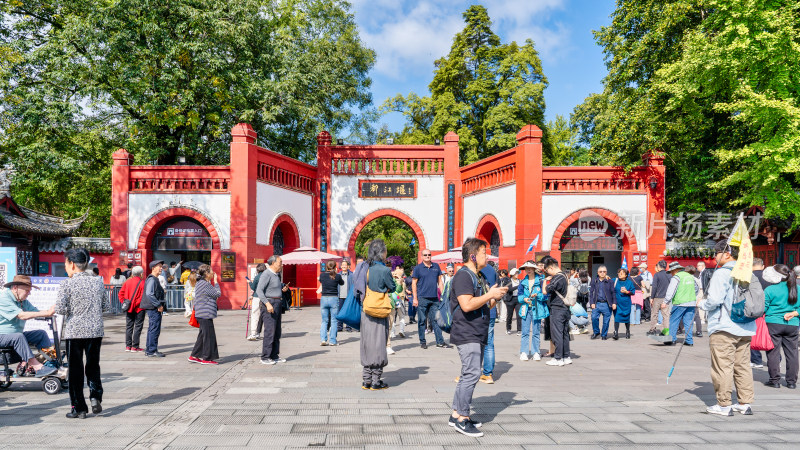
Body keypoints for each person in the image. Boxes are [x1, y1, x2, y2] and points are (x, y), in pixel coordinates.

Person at [449, 238, 507, 437]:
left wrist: (493, 297)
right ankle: (463, 419)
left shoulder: (478, 276)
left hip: (477, 330)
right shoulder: (463, 276)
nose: (487, 256)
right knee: (472, 373)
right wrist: (489, 294)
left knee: (468, 373)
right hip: (467, 331)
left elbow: (481, 305)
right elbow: (466, 305)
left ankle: (456, 413)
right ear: (473, 256)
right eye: (484, 253)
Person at [698, 240, 755, 416]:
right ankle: (744, 403)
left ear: (727, 254)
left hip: (725, 327)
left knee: (722, 366)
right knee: (743, 366)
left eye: (716, 254)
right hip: (745, 326)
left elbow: (714, 300)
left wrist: (702, 304)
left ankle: (724, 405)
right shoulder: (747, 273)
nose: (714, 257)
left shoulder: (722, 273)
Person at [56, 248, 110, 419]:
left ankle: (79, 408)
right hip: (95, 329)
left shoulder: (67, 284)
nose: (65, 267)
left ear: (72, 264)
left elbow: (59, 309)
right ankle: (95, 396)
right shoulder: (98, 281)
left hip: (75, 331)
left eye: (66, 264)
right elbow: (106, 307)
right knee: (93, 365)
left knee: (76, 369)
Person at [0, 275, 57, 378]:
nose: (29, 293)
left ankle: (51, 362)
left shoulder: (22, 301)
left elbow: (36, 312)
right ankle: (37, 367)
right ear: (15, 288)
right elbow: (21, 315)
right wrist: (47, 313)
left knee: (41, 334)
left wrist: (51, 311)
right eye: (27, 290)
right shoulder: (3, 298)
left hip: (13, 336)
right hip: (2, 336)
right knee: (18, 336)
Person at [360, 239, 395, 390]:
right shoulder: (385, 270)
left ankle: (366, 379)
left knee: (367, 342)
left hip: (366, 310)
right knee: (379, 343)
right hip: (380, 310)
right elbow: (392, 287)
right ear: (382, 253)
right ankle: (376, 380)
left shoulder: (363, 268)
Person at [762, 264, 800, 388]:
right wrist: (794, 313)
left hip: (773, 323)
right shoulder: (797, 289)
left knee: (773, 352)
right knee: (792, 353)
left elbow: (763, 307)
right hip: (792, 324)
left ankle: (774, 380)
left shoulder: (770, 289)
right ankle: (791, 382)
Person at [257, 255, 290, 365]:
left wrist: (282, 289)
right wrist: (267, 304)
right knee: (270, 331)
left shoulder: (276, 275)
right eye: (280, 262)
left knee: (277, 332)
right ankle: (265, 357)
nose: (281, 264)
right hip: (269, 304)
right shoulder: (266, 274)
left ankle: (274, 355)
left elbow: (273, 288)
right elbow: (259, 291)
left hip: (277, 303)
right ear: (273, 263)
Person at [411, 249, 447, 349]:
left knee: (436, 320)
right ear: (422, 257)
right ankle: (422, 341)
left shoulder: (436, 266)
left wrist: (443, 295)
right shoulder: (418, 268)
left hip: (434, 298)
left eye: (429, 255)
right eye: (425, 255)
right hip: (422, 298)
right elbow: (414, 283)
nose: (428, 256)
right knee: (422, 320)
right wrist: (415, 298)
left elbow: (440, 282)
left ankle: (440, 341)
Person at [189, 264, 221, 365]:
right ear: (206, 273)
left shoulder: (201, 282)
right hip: (205, 314)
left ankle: (194, 355)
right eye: (211, 271)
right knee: (209, 336)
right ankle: (207, 358)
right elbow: (217, 293)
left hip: (202, 313)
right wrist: (216, 282)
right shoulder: (205, 284)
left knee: (203, 335)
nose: (213, 273)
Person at [542, 256, 572, 366]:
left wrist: (546, 281)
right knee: (564, 333)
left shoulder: (557, 278)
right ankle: (566, 356)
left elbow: (546, 291)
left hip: (557, 308)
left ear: (551, 268)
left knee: (557, 334)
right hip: (565, 308)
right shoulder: (565, 275)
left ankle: (558, 357)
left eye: (547, 270)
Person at [517, 261, 549, 361]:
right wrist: (524, 299)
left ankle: (536, 352)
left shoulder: (541, 281)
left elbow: (546, 296)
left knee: (536, 332)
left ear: (534, 269)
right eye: (526, 268)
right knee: (525, 332)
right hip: (526, 309)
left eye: (530, 268)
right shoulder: (522, 282)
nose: (528, 270)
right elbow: (519, 296)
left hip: (537, 309)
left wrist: (538, 295)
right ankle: (524, 352)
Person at [664, 262, 699, 346]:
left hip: (680, 302)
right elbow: (696, 289)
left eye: (671, 271)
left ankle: (672, 340)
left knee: (674, 321)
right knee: (688, 322)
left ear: (675, 270)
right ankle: (689, 341)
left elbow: (671, 291)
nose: (671, 274)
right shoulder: (691, 277)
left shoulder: (676, 277)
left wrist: (665, 301)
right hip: (691, 302)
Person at [142, 260, 166, 357]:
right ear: (153, 268)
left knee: (153, 328)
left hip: (153, 307)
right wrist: (158, 305)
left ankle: (150, 349)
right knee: (154, 329)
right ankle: (152, 350)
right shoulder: (152, 279)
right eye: (159, 266)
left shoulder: (154, 279)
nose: (161, 268)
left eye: (161, 266)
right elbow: (149, 294)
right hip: (153, 308)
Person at [749, 258, 772, 367]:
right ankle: (774, 359)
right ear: (763, 266)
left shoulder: (748, 277)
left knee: (753, 334)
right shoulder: (769, 277)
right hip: (769, 310)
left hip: (753, 309)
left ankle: (756, 360)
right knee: (769, 335)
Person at [118, 266, 146, 352]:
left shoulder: (127, 282)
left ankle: (128, 346)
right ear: (141, 274)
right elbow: (142, 297)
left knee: (129, 327)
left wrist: (125, 302)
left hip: (129, 307)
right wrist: (135, 303)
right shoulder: (142, 282)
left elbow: (120, 294)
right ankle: (135, 346)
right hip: (139, 308)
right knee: (138, 326)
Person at [479, 262, 498, 383]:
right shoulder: (492, 270)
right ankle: (488, 373)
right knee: (489, 343)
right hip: (492, 309)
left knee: (475, 343)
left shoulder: (475, 270)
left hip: (480, 310)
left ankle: (472, 372)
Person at [318, 261, 344, 346]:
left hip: (324, 298)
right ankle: (332, 341)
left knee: (324, 320)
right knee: (334, 320)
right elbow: (342, 283)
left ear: (327, 267)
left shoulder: (322, 275)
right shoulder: (337, 276)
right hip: (334, 298)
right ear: (335, 267)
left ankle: (323, 340)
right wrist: (336, 273)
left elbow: (320, 280)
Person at [589, 266, 615, 340]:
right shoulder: (594, 281)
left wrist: (614, 303)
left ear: (606, 272)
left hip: (607, 304)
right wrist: (592, 303)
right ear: (598, 273)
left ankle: (604, 334)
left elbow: (613, 292)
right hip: (597, 303)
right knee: (594, 318)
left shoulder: (610, 281)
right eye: (600, 271)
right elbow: (591, 293)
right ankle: (596, 332)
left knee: (606, 321)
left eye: (604, 271)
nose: (602, 273)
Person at [647, 260, 671, 335]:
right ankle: (665, 330)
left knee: (654, 314)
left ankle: (652, 330)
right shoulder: (669, 274)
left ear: (658, 266)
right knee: (666, 315)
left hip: (657, 297)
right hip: (666, 298)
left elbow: (654, 287)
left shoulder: (657, 275)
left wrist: (652, 297)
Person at [388, 267, 407, 355]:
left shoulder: (398, 281)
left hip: (392, 303)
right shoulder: (387, 277)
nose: (395, 276)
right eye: (395, 274)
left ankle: (387, 345)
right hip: (382, 303)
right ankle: (386, 345)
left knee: (391, 323)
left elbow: (398, 290)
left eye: (397, 275)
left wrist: (399, 283)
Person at [612, 268, 635, 340]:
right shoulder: (615, 280)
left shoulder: (629, 282)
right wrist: (606, 277)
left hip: (626, 303)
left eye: (621, 273)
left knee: (626, 318)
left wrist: (627, 292)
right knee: (617, 317)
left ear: (626, 275)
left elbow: (633, 292)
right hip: (617, 302)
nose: (619, 274)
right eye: (619, 273)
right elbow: (608, 282)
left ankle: (627, 331)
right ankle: (616, 332)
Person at [247, 264, 266, 340]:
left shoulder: (257, 277)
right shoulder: (267, 276)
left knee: (255, 314)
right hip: (266, 297)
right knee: (263, 316)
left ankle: (254, 333)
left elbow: (253, 287)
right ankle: (258, 332)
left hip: (257, 297)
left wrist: (249, 282)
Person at [338, 260, 354, 333]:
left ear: (348, 266)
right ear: (341, 266)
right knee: (340, 312)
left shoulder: (351, 275)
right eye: (343, 265)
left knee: (348, 312)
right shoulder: (338, 275)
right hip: (340, 296)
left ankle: (348, 327)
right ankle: (339, 326)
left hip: (348, 296)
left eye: (345, 265)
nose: (344, 266)